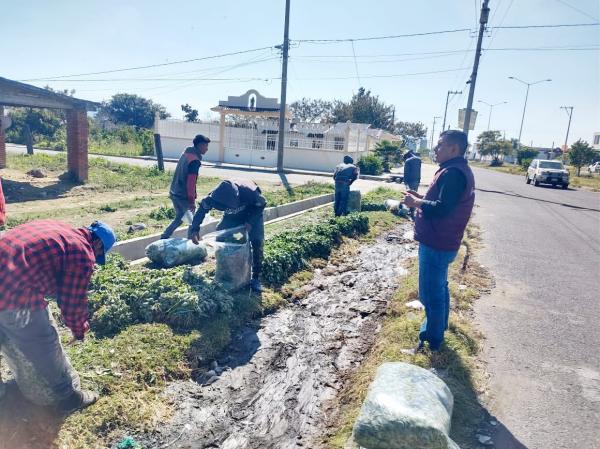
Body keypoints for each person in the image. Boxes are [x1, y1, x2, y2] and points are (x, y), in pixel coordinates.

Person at [0, 220, 116, 412]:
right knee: (44, 342)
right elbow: (72, 303)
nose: (95, 258)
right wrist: (79, 330)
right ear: (97, 245)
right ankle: (68, 398)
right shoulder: (82, 253)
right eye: (99, 255)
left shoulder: (59, 228)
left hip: (6, 273)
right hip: (12, 293)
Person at [403, 130, 475, 353]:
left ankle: (431, 342)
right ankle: (439, 328)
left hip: (437, 242)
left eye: (440, 145)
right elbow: (444, 203)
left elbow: (442, 209)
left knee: (430, 294)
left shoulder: (453, 173)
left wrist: (416, 203)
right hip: (443, 241)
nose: (435, 149)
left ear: (454, 149)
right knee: (440, 288)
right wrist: (421, 199)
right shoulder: (455, 170)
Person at [190, 179, 266, 293]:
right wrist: (194, 229)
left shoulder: (250, 192)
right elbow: (201, 210)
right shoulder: (213, 198)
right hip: (232, 217)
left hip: (252, 215)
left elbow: (262, 204)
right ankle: (226, 270)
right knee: (221, 237)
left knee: (257, 242)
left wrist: (250, 221)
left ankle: (256, 278)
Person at [161, 134, 210, 239]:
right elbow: (191, 182)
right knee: (193, 220)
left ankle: (164, 237)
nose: (207, 149)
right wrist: (191, 201)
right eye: (205, 146)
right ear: (200, 145)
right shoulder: (194, 161)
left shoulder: (186, 154)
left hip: (174, 191)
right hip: (183, 195)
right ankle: (191, 243)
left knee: (180, 218)